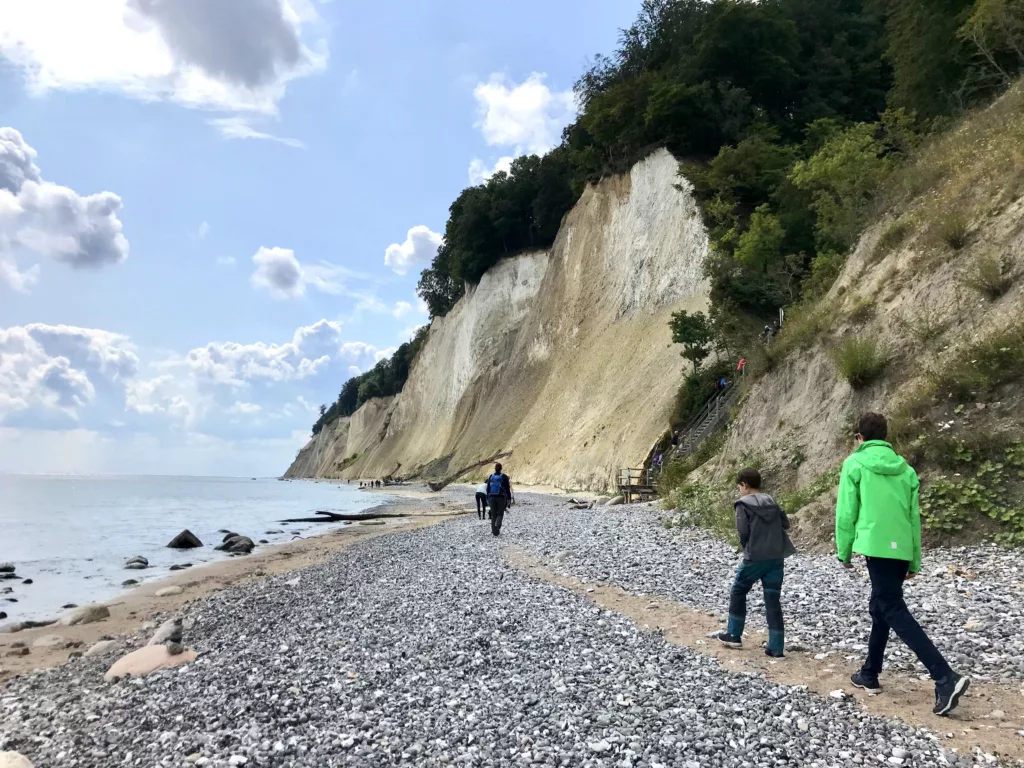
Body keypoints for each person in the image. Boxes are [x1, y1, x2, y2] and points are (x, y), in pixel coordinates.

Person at [837, 412, 970, 716]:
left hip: (875, 546)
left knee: (892, 608)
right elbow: (913, 517)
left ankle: (944, 677)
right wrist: (914, 558)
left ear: (859, 438)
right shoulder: (905, 470)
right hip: (900, 549)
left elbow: (846, 512)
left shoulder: (855, 463)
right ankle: (869, 673)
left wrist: (843, 551)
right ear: (885, 437)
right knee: (881, 607)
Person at [716, 467, 795, 657]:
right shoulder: (772, 501)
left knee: (738, 590)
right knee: (772, 599)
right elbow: (786, 524)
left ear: (744, 485)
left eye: (739, 487)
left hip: (755, 557)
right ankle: (776, 647)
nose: (739, 490)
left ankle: (734, 634)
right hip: (776, 557)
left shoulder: (742, 504)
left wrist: (748, 548)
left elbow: (743, 531)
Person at [485, 463, 513, 537]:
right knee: (500, 513)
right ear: (501, 469)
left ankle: (495, 532)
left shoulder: (491, 476)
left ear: (495, 469)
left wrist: (487, 497)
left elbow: (488, 488)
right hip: (501, 498)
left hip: (491, 497)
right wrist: (509, 499)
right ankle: (498, 526)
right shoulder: (504, 476)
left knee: (494, 515)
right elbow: (507, 488)